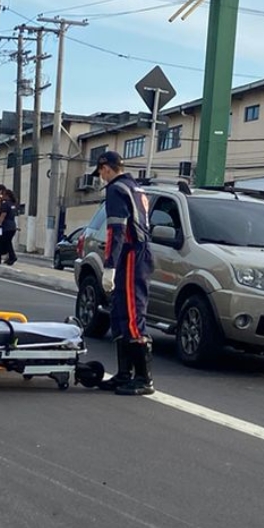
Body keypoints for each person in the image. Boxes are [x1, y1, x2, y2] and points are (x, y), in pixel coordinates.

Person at [95, 150, 156, 396]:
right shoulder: (136, 187)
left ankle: (143, 378)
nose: (100, 176)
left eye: (100, 171)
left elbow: (116, 232)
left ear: (106, 168)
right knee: (119, 313)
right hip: (135, 252)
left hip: (132, 254)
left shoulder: (116, 189)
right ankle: (124, 374)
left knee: (131, 316)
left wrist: (110, 265)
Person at [0, 185, 18, 265]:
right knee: (6, 242)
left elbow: (3, 214)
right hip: (12, 227)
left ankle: (6, 257)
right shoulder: (12, 204)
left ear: (7, 196)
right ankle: (9, 257)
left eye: (4, 195)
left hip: (5, 227)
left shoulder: (5, 203)